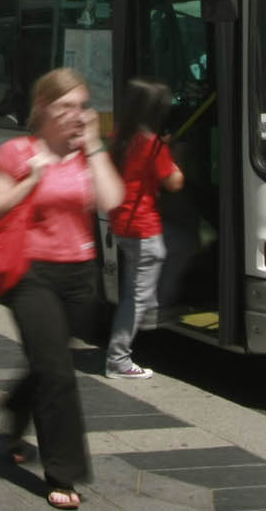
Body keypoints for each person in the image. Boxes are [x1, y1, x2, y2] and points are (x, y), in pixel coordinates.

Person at [0, 67, 125, 510]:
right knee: (58, 373)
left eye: (82, 106)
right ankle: (64, 472)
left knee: (50, 362)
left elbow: (113, 202)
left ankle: (16, 406)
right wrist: (31, 181)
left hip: (81, 276)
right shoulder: (18, 151)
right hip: (32, 273)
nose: (77, 115)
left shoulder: (88, 154)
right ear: (44, 109)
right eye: (66, 107)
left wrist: (96, 147)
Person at [104, 78, 184, 380]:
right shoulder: (153, 145)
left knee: (135, 291)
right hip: (144, 227)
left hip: (122, 224)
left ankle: (150, 312)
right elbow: (174, 182)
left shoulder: (118, 138)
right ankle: (118, 359)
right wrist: (176, 161)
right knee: (135, 297)